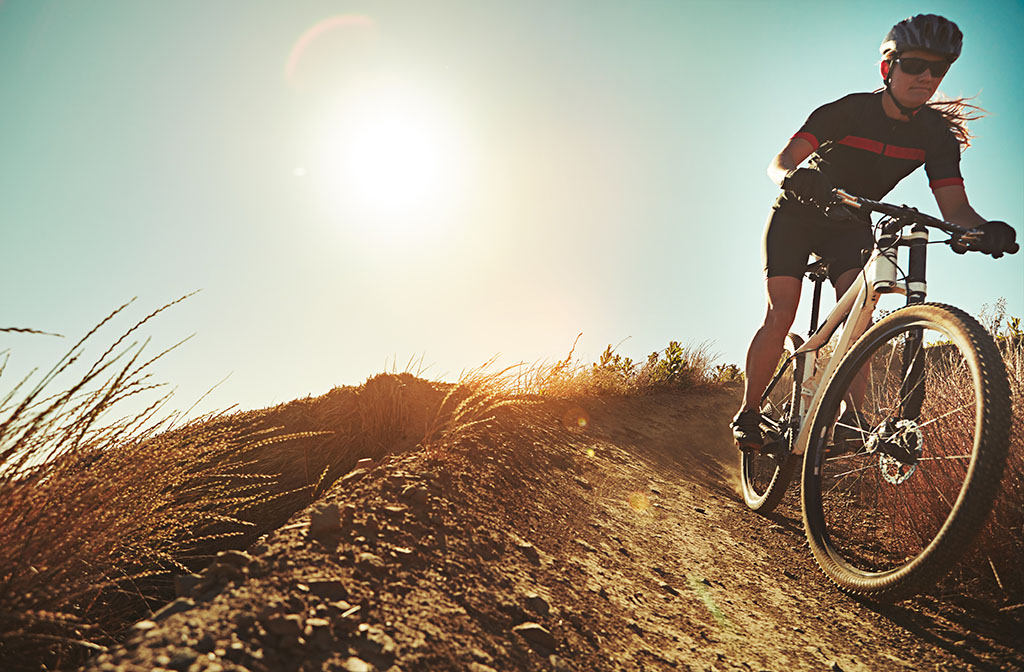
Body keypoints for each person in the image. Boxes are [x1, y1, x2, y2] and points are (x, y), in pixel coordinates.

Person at [731, 14, 1017, 451]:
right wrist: (794, 177)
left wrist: (982, 231)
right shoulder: (848, 111)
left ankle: (852, 417)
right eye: (916, 65)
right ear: (889, 68)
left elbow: (955, 208)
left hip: (852, 221)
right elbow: (780, 162)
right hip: (801, 211)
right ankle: (749, 414)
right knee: (782, 310)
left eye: (938, 69)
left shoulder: (936, 136)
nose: (927, 77)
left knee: (860, 315)